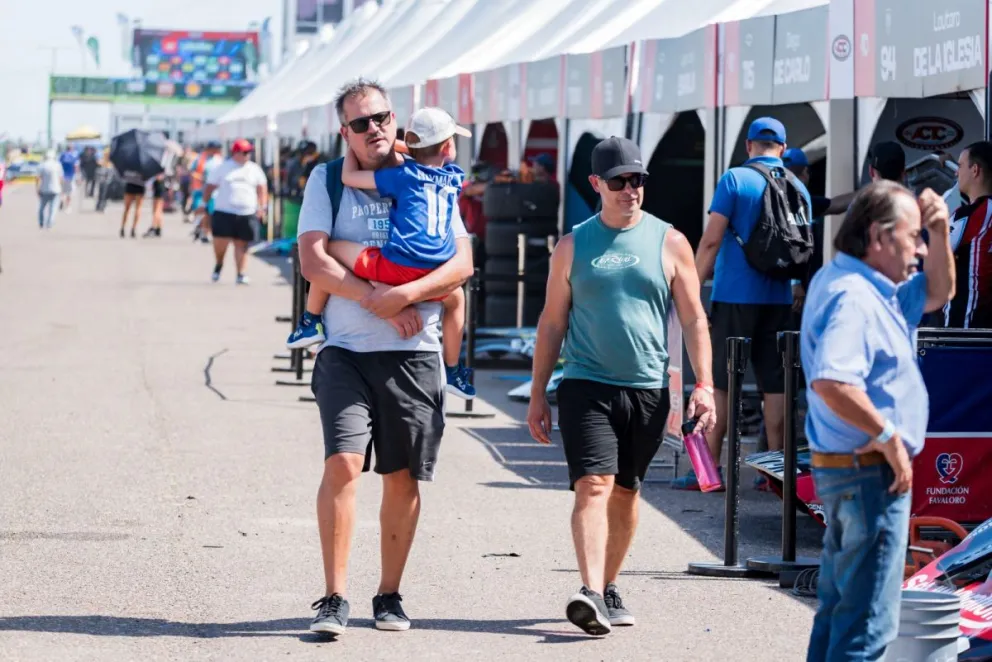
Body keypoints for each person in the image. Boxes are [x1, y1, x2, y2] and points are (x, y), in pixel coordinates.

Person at [297, 78, 474, 635]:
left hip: (414, 354)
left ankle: (389, 594)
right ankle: (333, 597)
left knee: (402, 478)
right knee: (343, 463)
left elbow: (461, 265)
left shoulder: (429, 171)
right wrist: (376, 299)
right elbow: (313, 261)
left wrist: (407, 296)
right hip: (346, 350)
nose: (373, 128)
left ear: (396, 119)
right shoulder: (328, 179)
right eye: (360, 122)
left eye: (381, 117)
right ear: (344, 132)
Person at [526, 136, 717, 636]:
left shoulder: (670, 241)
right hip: (586, 383)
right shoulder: (572, 246)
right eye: (619, 182)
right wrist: (537, 392)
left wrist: (704, 385)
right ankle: (590, 591)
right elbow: (552, 322)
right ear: (596, 184)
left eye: (638, 180)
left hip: (648, 388)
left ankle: (609, 585)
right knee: (594, 485)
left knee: (627, 492)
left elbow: (694, 319)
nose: (630, 189)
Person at [801, 182, 954, 660]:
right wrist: (887, 436)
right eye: (913, 237)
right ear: (878, 238)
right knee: (865, 628)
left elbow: (939, 291)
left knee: (840, 615)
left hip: (853, 471)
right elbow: (832, 380)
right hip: (867, 474)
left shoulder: (861, 284)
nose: (920, 249)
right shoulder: (855, 296)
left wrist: (939, 231)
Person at [286, 107, 475, 398]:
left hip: (396, 267)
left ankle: (311, 320)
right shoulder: (454, 177)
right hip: (434, 271)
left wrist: (357, 142)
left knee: (331, 251)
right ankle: (453, 370)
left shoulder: (404, 175)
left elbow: (349, 176)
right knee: (457, 299)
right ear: (448, 148)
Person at [685, 118, 812, 491]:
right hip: (779, 300)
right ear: (783, 148)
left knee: (721, 385)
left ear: (748, 145)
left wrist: (691, 291)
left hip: (734, 297)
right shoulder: (798, 187)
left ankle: (709, 472)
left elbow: (711, 241)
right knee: (777, 387)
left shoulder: (735, 180)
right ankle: (775, 475)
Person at [782, 148, 856, 299]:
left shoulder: (787, 200)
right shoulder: (793, 202)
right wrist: (795, 282)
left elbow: (835, 204)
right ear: (805, 172)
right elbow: (787, 242)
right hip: (795, 290)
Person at [202, 139, 267, 284]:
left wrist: (262, 207)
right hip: (224, 211)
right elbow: (210, 186)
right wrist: (204, 203)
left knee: (241, 244)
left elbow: (262, 188)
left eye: (249, 152)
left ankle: (241, 273)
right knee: (220, 244)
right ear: (236, 153)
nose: (247, 155)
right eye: (245, 152)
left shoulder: (255, 169)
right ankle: (219, 264)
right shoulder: (222, 168)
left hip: (246, 212)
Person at [943, 140, 992, 328]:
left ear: (975, 170)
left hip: (965, 330)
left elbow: (934, 255)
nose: (956, 172)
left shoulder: (971, 214)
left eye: (960, 165)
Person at [37, 150, 63, 229]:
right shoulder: (57, 165)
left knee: (42, 208)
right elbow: (61, 178)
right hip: (56, 189)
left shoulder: (42, 165)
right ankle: (50, 223)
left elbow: (38, 178)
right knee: (53, 208)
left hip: (44, 189)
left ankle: (41, 222)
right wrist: (61, 188)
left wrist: (37, 189)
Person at [58, 146, 79, 212]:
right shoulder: (73, 156)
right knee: (69, 193)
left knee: (62, 191)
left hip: (62, 177)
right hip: (71, 177)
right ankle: (68, 206)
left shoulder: (62, 155)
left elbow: (58, 165)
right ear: (71, 149)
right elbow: (76, 167)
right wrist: (77, 177)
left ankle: (62, 200)